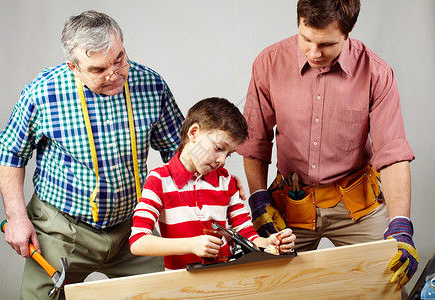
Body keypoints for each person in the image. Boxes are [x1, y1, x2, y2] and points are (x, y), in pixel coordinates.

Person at [0, 10, 184, 299]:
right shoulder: (42, 92)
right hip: (60, 230)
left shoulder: (152, 85)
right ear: (73, 66)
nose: (114, 74)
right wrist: (17, 217)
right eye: (97, 70)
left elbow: (177, 153)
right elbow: (10, 151)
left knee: (176, 291)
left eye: (119, 59)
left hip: (132, 226)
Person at [237, 0, 418, 288]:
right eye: (305, 39)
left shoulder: (376, 72)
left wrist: (401, 225)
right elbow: (255, 140)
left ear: (349, 31)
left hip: (358, 207)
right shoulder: (268, 63)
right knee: (273, 289)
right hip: (290, 206)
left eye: (327, 44)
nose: (313, 52)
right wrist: (259, 197)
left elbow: (392, 153)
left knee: (388, 284)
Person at [129, 98, 296, 270]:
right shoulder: (159, 180)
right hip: (180, 286)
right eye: (218, 148)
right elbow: (138, 242)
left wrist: (270, 243)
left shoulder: (227, 182)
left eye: (228, 154)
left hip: (224, 280)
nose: (222, 161)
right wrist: (191, 245)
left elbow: (247, 235)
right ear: (193, 133)